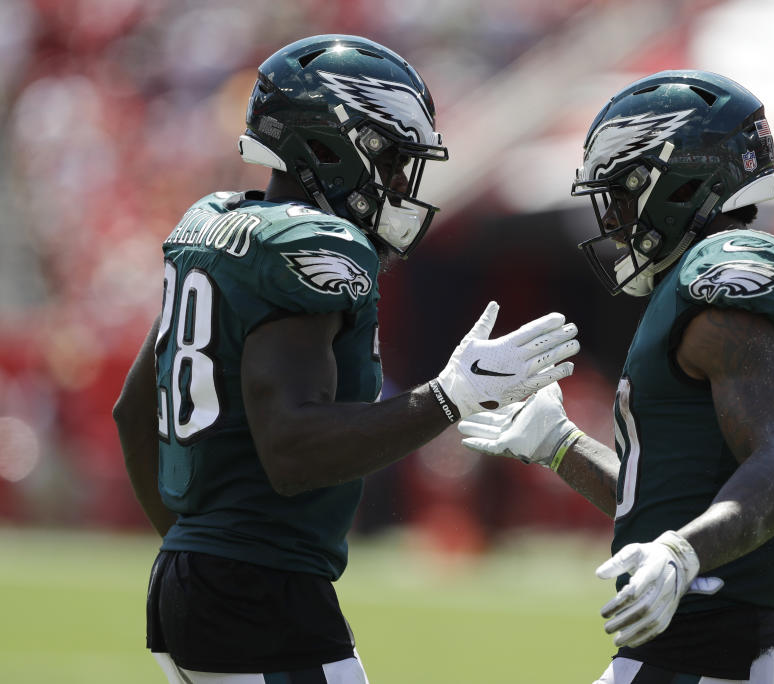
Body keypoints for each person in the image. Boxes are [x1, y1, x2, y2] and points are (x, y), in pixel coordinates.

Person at [112, 34, 579, 684]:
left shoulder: (214, 226)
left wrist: (192, 549)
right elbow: (294, 448)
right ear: (328, 146)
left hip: (199, 582)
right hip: (261, 593)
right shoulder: (313, 243)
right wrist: (449, 397)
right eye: (388, 157)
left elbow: (133, 414)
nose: (396, 181)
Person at [459, 70, 774, 683]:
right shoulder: (690, 286)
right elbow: (668, 505)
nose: (613, 220)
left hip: (713, 650)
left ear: (682, 182)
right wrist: (563, 447)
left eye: (624, 194)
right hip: (698, 644)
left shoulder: (724, 276)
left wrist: (684, 555)